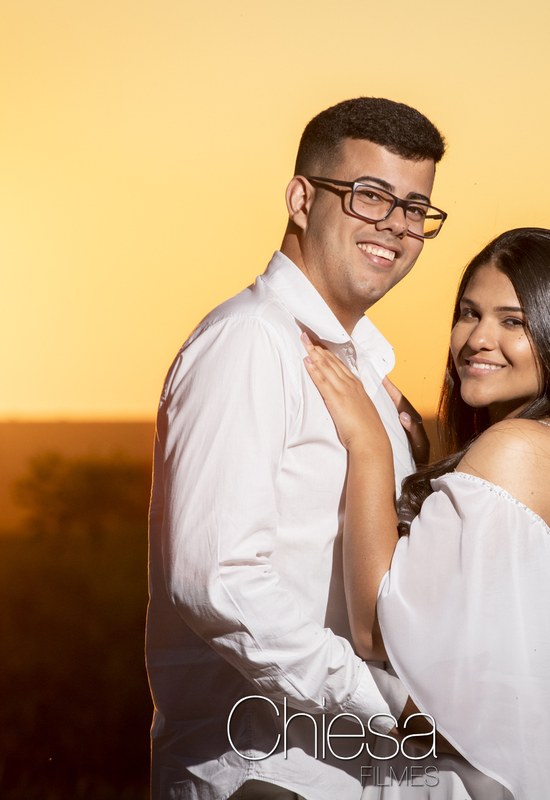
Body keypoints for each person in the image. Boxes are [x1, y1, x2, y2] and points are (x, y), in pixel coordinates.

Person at [302, 228, 550, 798]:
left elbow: (375, 631)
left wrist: (370, 443)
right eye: (469, 313)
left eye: (513, 322)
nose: (478, 339)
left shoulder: (517, 450)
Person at [146, 98, 447, 799]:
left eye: (414, 208)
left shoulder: (365, 373)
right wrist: (387, 710)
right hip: (262, 772)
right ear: (301, 199)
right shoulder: (251, 340)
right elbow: (218, 579)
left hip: (352, 773)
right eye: (370, 195)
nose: (396, 225)